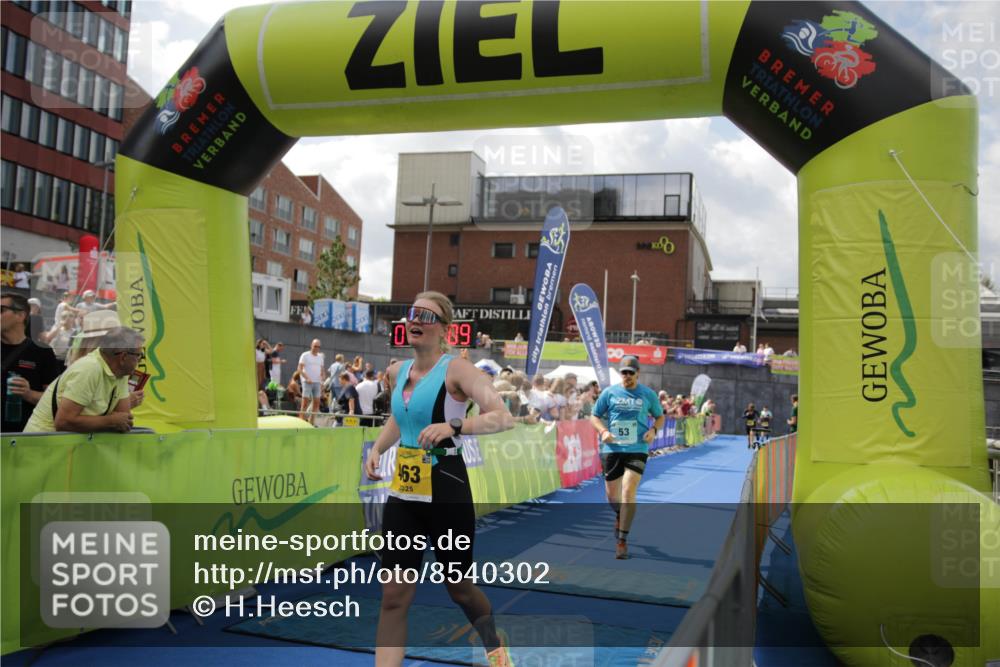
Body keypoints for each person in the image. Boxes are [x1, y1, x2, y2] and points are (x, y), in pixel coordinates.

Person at [364, 291, 514, 667]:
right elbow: (402, 417)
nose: (416, 320)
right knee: (394, 595)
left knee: (460, 589)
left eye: (427, 316)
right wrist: (378, 449)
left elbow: (503, 416)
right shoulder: (397, 371)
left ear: (445, 329)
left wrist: (455, 425)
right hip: (404, 494)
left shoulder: (458, 370)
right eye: (413, 313)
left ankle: (494, 643)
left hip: (447, 488)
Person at [590, 355, 665, 560]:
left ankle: (622, 541)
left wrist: (653, 431)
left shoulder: (647, 394)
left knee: (628, 491)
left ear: (638, 373)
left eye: (631, 372)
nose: (627, 376)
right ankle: (619, 514)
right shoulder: (609, 393)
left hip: (638, 447)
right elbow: (594, 415)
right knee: (612, 496)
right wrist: (603, 431)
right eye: (624, 372)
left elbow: (660, 416)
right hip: (612, 448)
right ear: (620, 373)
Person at [24, 327, 142, 433]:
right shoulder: (89, 368)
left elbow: (124, 419)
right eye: (138, 355)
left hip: (63, 448)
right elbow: (63, 422)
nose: (140, 360)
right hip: (41, 448)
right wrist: (109, 421)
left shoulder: (119, 372)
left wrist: (113, 420)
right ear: (123, 357)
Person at [2, 293, 64, 432]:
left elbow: (55, 401)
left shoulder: (42, 352)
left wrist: (28, 394)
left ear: (20, 316)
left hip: (24, 436)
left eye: (1, 310)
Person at [297, 339, 325, 424]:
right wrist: (307, 378)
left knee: (316, 403)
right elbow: (299, 369)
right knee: (305, 402)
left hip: (317, 382)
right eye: (315, 346)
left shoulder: (320, 357)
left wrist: (322, 379)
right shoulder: (305, 355)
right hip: (307, 381)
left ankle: (311, 421)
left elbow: (322, 370)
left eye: (318, 347)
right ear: (311, 345)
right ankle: (300, 421)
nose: (316, 348)